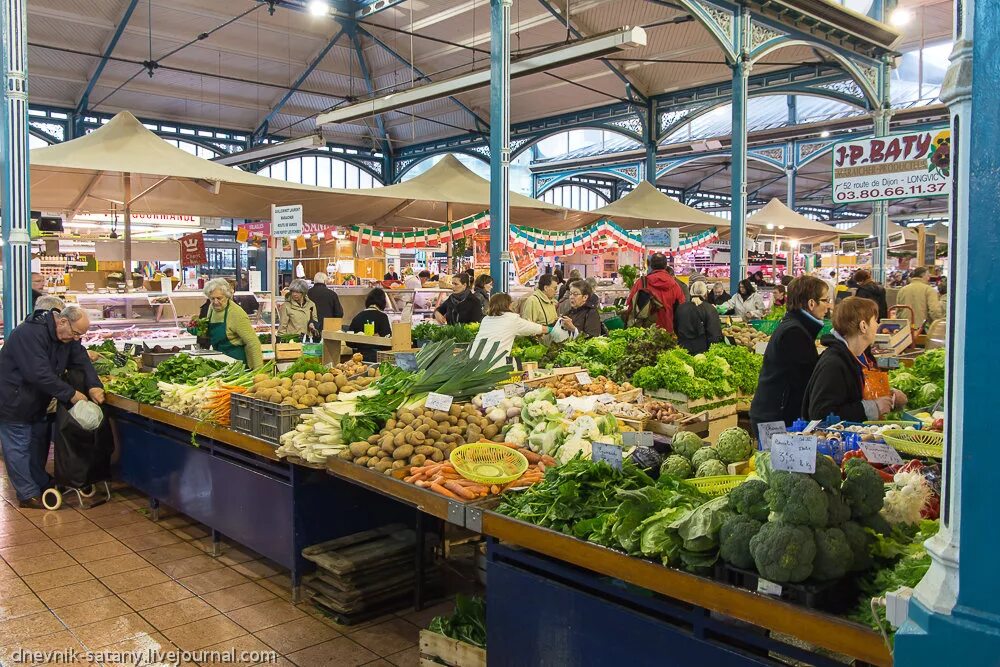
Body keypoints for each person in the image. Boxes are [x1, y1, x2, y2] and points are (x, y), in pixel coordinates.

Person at [0, 306, 103, 508]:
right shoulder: (28, 334)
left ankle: (41, 482)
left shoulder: (66, 337)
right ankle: (27, 494)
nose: (75, 338)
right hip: (12, 399)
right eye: (75, 333)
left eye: (80, 335)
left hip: (37, 400)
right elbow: (38, 374)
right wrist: (71, 394)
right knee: (18, 446)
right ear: (63, 321)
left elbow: (80, 358)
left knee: (37, 443)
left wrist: (94, 385)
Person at [802, 297, 908, 422]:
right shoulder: (833, 364)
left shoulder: (861, 356)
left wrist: (889, 397)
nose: (878, 325)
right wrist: (874, 407)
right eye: (875, 320)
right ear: (863, 326)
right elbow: (821, 414)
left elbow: (856, 394)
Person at [750, 276, 832, 430]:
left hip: (775, 415)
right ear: (812, 303)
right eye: (825, 300)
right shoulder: (794, 332)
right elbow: (806, 378)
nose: (828, 306)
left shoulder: (797, 327)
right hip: (775, 420)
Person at [471, 293, 549, 368]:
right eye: (511, 302)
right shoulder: (512, 319)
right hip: (492, 366)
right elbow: (538, 328)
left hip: (473, 362)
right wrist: (552, 329)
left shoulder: (486, 319)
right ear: (507, 305)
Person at [203, 278, 263, 369]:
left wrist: (259, 370)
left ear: (227, 296)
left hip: (237, 363)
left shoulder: (236, 313)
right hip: (219, 361)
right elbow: (211, 333)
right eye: (212, 298)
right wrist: (199, 331)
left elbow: (253, 342)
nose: (215, 302)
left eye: (219, 298)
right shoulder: (211, 308)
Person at [623, 253, 686, 333]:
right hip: (667, 329)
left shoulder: (642, 282)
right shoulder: (674, 284)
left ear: (651, 265)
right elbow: (682, 307)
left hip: (645, 329)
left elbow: (631, 305)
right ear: (665, 265)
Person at [674, 281, 724, 354]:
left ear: (691, 291)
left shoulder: (681, 308)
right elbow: (714, 334)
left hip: (682, 347)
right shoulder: (710, 309)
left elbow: (676, 327)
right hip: (702, 350)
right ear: (705, 293)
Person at [348, 288, 393, 362]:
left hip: (358, 358)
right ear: (383, 302)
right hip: (377, 358)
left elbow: (349, 342)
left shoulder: (358, 316)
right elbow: (387, 343)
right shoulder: (382, 317)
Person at [896, 266, 944, 331]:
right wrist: (938, 324)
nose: (929, 278)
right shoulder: (929, 290)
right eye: (928, 275)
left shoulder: (902, 290)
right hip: (922, 328)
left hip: (905, 328)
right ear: (923, 275)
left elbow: (898, 311)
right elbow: (934, 310)